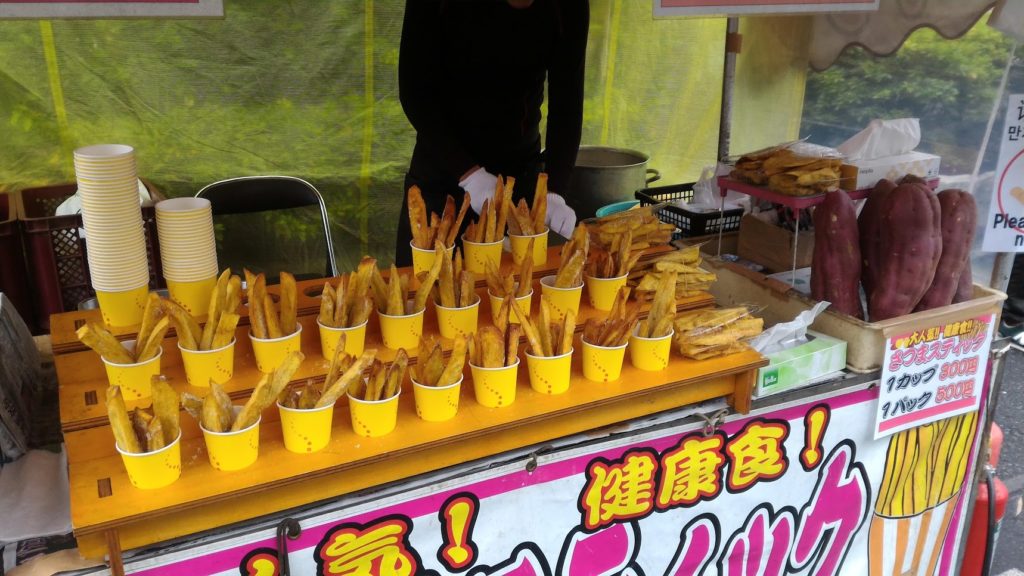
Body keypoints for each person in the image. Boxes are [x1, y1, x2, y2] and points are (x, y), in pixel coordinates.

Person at [396, 0, 589, 266]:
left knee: (517, 295)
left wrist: (554, 191)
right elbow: (414, 90)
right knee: (422, 292)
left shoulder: (568, 6)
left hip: (518, 179)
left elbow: (567, 104)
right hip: (441, 174)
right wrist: (469, 175)